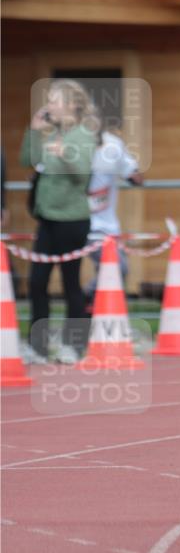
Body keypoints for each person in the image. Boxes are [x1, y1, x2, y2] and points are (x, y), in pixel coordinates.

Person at [20, 79, 98, 364]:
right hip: (48, 220)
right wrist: (34, 132)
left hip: (72, 220)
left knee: (70, 284)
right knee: (37, 282)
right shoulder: (51, 134)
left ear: (72, 105)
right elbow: (26, 159)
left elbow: (82, 177)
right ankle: (38, 347)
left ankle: (73, 346)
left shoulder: (83, 136)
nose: (49, 106)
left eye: (54, 101)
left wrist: (65, 155)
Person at [85, 129, 143, 305]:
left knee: (115, 270)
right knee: (115, 269)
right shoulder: (65, 140)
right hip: (73, 221)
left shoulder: (112, 144)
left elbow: (135, 176)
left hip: (103, 226)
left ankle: (91, 310)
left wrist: (132, 172)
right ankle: (83, 301)